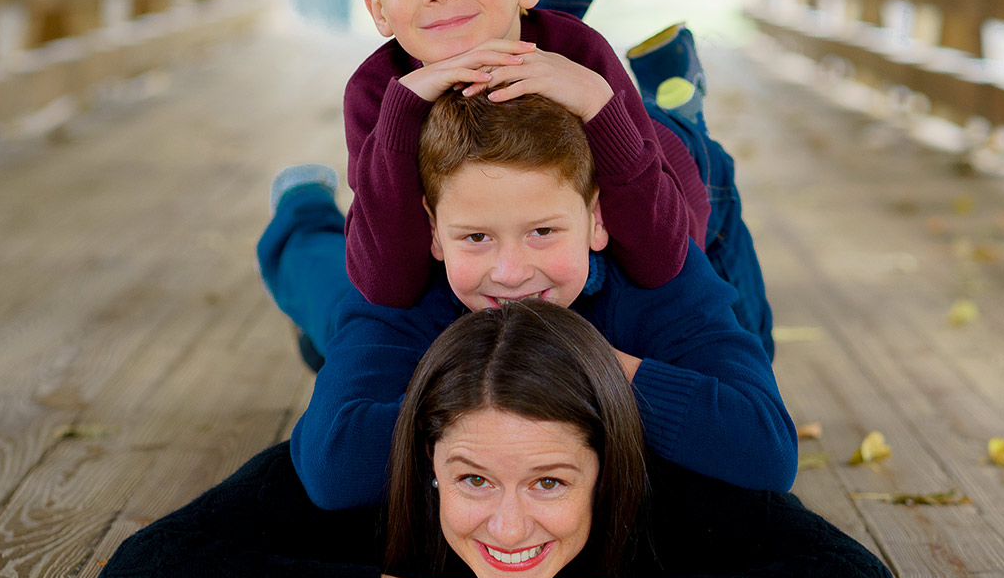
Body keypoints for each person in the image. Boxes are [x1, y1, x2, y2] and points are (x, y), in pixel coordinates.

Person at [88, 300, 916, 578]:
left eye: (552, 483)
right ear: (424, 461)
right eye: (473, 479)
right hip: (390, 314)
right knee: (339, 302)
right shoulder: (362, 482)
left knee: (716, 262)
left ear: (610, 463)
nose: (510, 529)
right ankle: (302, 213)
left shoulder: (675, 487)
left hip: (659, 302)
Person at [263, 91, 791, 512]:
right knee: (334, 305)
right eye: (475, 238)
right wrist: (503, 384)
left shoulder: (657, 267)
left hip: (682, 173)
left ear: (596, 219)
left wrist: (583, 364)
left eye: (542, 231)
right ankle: (303, 205)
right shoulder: (400, 282)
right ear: (433, 231)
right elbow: (334, 470)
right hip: (387, 292)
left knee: (754, 342)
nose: (511, 274)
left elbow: (765, 449)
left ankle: (672, 106)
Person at [340, 0, 707, 311]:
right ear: (378, 10)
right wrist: (402, 116)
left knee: (694, 158)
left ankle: (681, 102)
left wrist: (598, 103)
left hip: (662, 164)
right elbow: (385, 283)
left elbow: (661, 257)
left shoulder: (581, 56)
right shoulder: (377, 93)